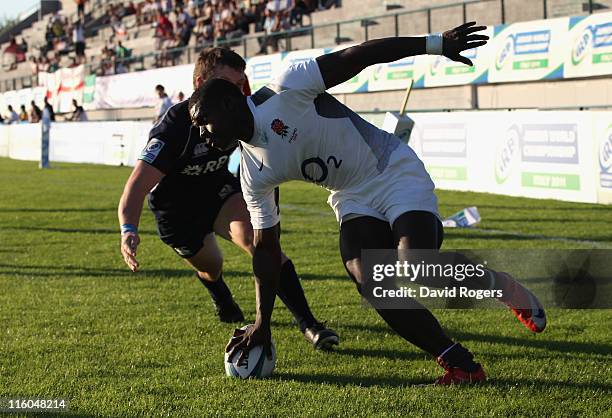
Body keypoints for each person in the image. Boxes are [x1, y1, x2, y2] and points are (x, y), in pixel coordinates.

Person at [191, 23, 548, 385]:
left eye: (204, 122)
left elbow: (360, 55)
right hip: (351, 195)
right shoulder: (252, 172)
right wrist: (262, 324)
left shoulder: (286, 87)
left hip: (391, 169)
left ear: (229, 103)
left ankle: (504, 287)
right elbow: (266, 251)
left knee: (419, 267)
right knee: (369, 279)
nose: (204, 133)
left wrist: (436, 43)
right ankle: (460, 365)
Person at [117, 47, 339, 349]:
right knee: (211, 264)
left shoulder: (240, 112)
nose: (235, 93)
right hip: (176, 213)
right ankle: (219, 293)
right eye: (226, 84)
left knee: (256, 239)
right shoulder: (174, 127)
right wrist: (128, 230)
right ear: (199, 84)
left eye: (238, 85)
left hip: (220, 192)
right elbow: (136, 187)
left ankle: (310, 324)